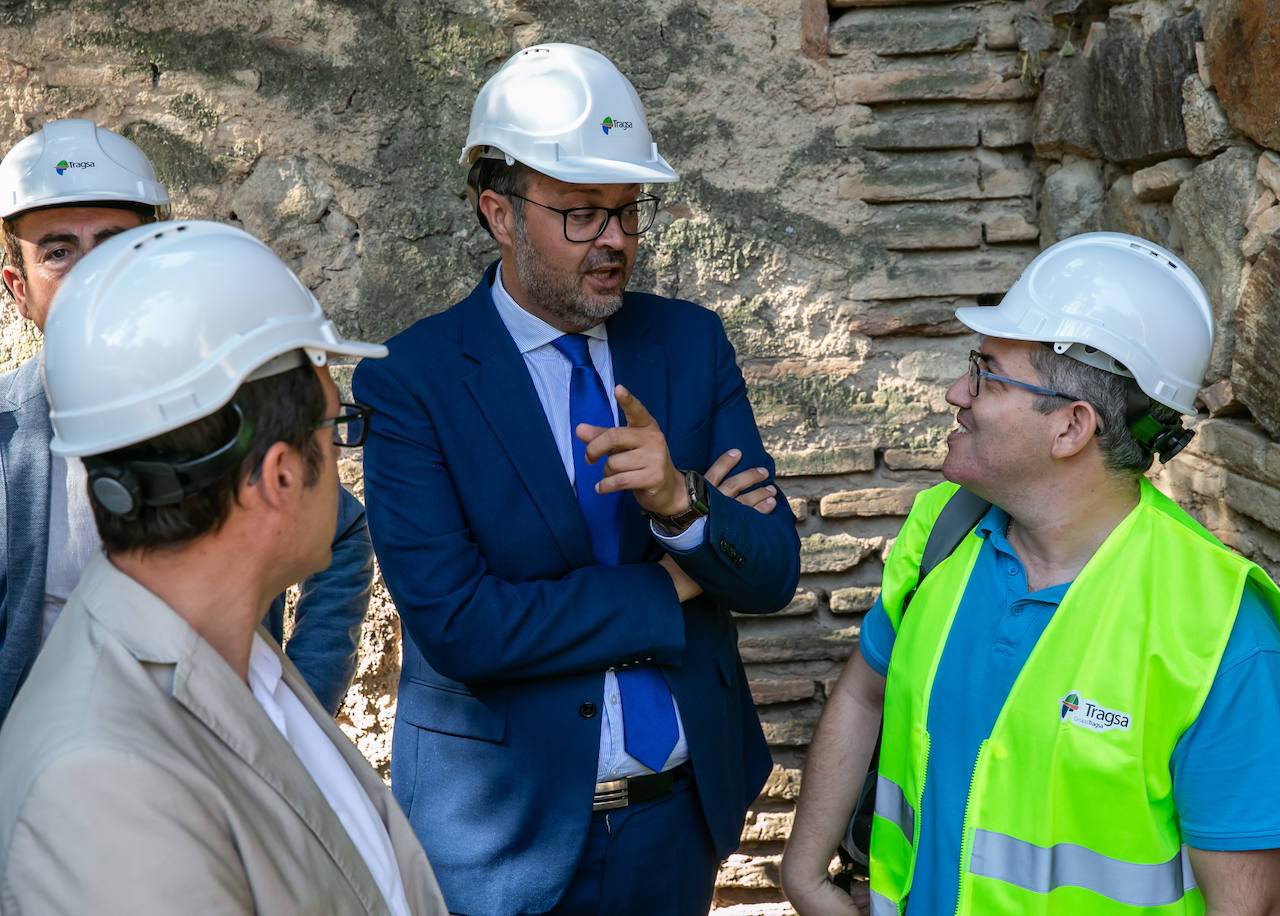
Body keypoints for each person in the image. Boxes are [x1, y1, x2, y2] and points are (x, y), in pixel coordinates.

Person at [352, 42, 802, 916]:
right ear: (499, 213)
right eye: (583, 215)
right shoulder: (412, 380)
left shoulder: (689, 344)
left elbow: (774, 568)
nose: (615, 242)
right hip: (500, 845)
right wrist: (670, 582)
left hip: (680, 823)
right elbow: (461, 627)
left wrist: (682, 504)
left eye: (629, 213)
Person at [781, 232, 1280, 916]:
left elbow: (1252, 908)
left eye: (988, 373)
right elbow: (865, 694)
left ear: (1071, 427)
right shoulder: (944, 529)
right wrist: (804, 874)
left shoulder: (1218, 629)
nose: (954, 392)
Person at [0, 220, 449, 913]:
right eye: (336, 427)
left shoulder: (247, 659)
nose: (342, 456)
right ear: (278, 476)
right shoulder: (102, 782)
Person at [0, 118, 373, 720]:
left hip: (219, 770)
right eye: (59, 251)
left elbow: (341, 530)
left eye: (115, 242)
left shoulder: (222, 398)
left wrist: (295, 708)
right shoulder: (4, 438)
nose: (94, 272)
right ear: (18, 288)